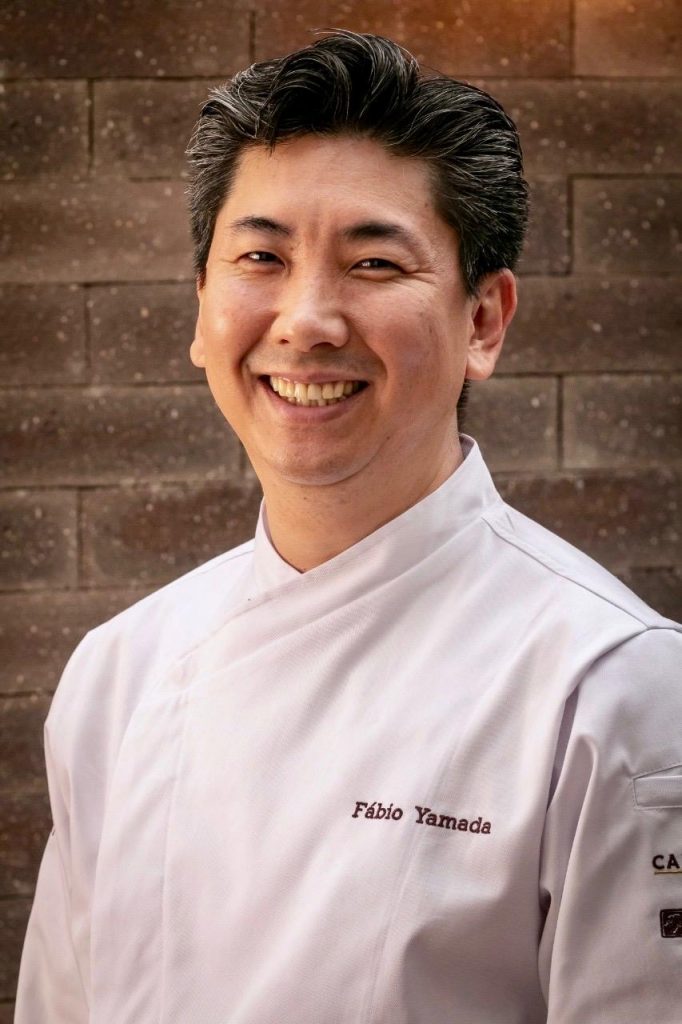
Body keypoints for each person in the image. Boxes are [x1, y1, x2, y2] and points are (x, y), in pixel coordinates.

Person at [16, 30, 682, 1024]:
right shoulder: (119, 672)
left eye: (373, 262)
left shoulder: (611, 686)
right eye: (261, 257)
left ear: (484, 321)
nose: (307, 319)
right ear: (200, 306)